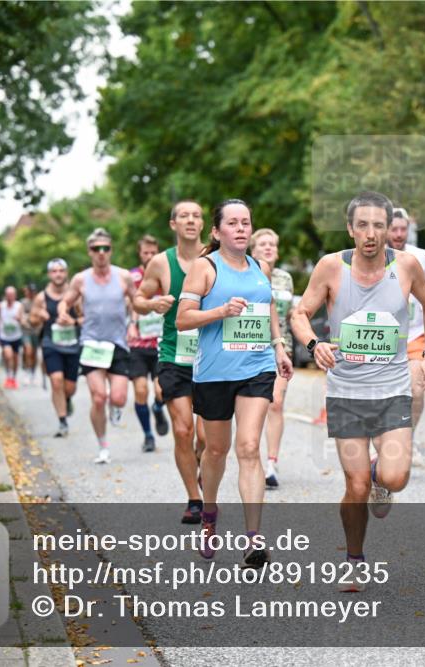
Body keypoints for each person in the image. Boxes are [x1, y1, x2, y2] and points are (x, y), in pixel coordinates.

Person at [291, 191, 425, 591]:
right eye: (363, 225)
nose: (371, 233)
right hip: (347, 392)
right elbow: (300, 313)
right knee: (354, 487)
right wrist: (313, 344)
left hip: (392, 390)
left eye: (379, 225)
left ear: (390, 229)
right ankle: (354, 559)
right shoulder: (330, 268)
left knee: (395, 477)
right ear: (350, 228)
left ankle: (380, 474)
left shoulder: (407, 266)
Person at [177, 199, 293, 567]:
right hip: (214, 373)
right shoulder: (204, 267)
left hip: (257, 368)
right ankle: (209, 515)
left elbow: (269, 307)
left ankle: (253, 538)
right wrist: (220, 311)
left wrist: (279, 346)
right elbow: (182, 319)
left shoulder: (258, 267)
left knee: (248, 448)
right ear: (217, 231)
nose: (242, 228)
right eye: (233, 223)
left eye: (246, 222)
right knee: (215, 451)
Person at [133, 199, 208, 523]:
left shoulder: (215, 258)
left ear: (203, 224)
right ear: (173, 224)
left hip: (211, 356)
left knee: (205, 438)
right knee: (182, 430)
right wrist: (152, 304)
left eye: (196, 216)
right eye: (184, 216)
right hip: (173, 355)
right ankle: (194, 499)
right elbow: (137, 300)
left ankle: (201, 470)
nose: (190, 220)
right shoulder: (161, 263)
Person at [57, 228, 137, 464]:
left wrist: (133, 323)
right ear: (89, 252)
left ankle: (116, 408)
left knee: (119, 397)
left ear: (111, 250)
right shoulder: (81, 279)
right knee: (99, 397)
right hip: (91, 344)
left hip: (118, 343)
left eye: (106, 248)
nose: (101, 253)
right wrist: (63, 313)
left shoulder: (123, 276)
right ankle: (103, 445)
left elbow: (137, 301)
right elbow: (66, 301)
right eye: (96, 249)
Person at [388, 208, 425, 445]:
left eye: (404, 229)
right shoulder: (373, 256)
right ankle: (382, 443)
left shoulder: (420, 256)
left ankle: (405, 441)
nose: (400, 234)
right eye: (395, 229)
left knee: (417, 391)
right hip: (385, 339)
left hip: (415, 335)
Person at [249, 228, 294, 489]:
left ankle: (271, 464)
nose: (268, 248)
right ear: (253, 250)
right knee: (254, 408)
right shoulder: (245, 273)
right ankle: (250, 457)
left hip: (280, 348)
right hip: (249, 348)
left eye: (272, 245)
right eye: (263, 244)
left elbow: (289, 315)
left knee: (276, 402)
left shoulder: (285, 278)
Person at [29, 258, 82, 438]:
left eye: (61, 271)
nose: (58, 274)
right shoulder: (41, 298)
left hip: (73, 345)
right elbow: (31, 321)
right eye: (54, 271)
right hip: (51, 344)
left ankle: (67, 399)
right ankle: (62, 422)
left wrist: (74, 321)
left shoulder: (76, 295)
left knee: (70, 387)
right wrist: (39, 316)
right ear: (49, 274)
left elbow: (87, 319)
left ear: (66, 273)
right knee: (56, 381)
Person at [127, 234, 170, 452]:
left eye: (153, 252)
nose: (150, 256)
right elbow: (128, 302)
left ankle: (157, 408)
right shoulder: (132, 276)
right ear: (140, 253)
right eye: (146, 253)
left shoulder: (166, 272)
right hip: (138, 343)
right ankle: (147, 435)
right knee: (141, 390)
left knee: (161, 391)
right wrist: (130, 323)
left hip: (162, 342)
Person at [0, 287, 25, 389]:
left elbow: (22, 320)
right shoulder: (0, 306)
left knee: (15, 359)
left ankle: (13, 378)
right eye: (8, 294)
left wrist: (19, 319)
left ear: (15, 296)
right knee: (8, 355)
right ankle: (8, 376)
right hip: (4, 336)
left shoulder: (19, 306)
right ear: (5, 295)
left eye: (12, 295)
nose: (10, 297)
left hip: (16, 336)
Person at [20, 284, 41, 385]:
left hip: (36, 331)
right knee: (28, 351)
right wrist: (25, 322)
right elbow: (21, 315)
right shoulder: (23, 302)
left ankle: (33, 373)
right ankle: (27, 372)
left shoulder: (39, 302)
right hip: (26, 331)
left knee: (34, 353)